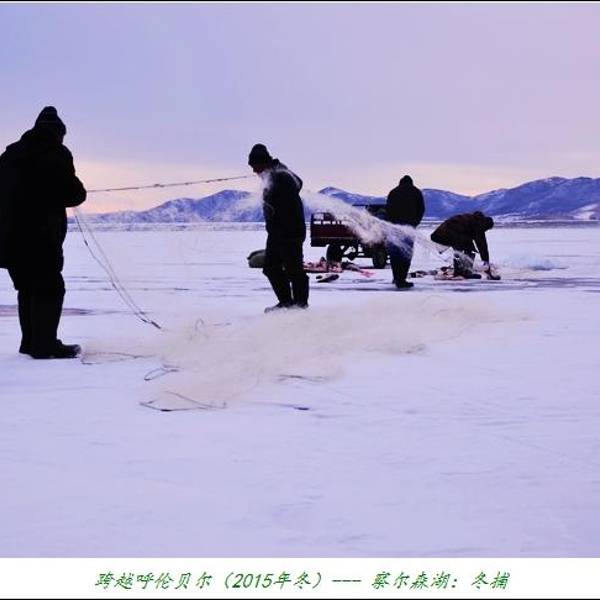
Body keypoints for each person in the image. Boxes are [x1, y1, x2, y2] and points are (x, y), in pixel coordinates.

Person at [0, 106, 87, 358]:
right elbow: (74, 193)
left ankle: (30, 342)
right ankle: (44, 345)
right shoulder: (56, 153)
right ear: (59, 133)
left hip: (9, 237)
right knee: (49, 288)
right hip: (41, 236)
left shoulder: (10, 155)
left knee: (27, 287)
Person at [247, 143, 309, 312]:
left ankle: (300, 306)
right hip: (276, 233)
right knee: (271, 268)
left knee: (294, 270)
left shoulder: (281, 176)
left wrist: (282, 230)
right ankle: (286, 302)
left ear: (263, 162)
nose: (254, 171)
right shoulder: (273, 175)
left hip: (290, 232)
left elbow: (287, 206)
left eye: (255, 166)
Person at [385, 175, 425, 289]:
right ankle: (402, 279)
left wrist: (392, 223)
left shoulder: (393, 192)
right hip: (409, 228)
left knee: (395, 253)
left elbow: (388, 209)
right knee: (406, 253)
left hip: (394, 228)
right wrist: (414, 224)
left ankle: (396, 277)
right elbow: (421, 209)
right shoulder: (416, 192)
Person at [430, 211, 496, 279]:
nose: (485, 231)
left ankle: (462, 271)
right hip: (448, 234)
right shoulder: (479, 224)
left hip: (438, 235)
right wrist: (487, 266)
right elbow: (482, 247)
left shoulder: (472, 219)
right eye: (486, 229)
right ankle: (464, 272)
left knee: (463, 248)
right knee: (466, 250)